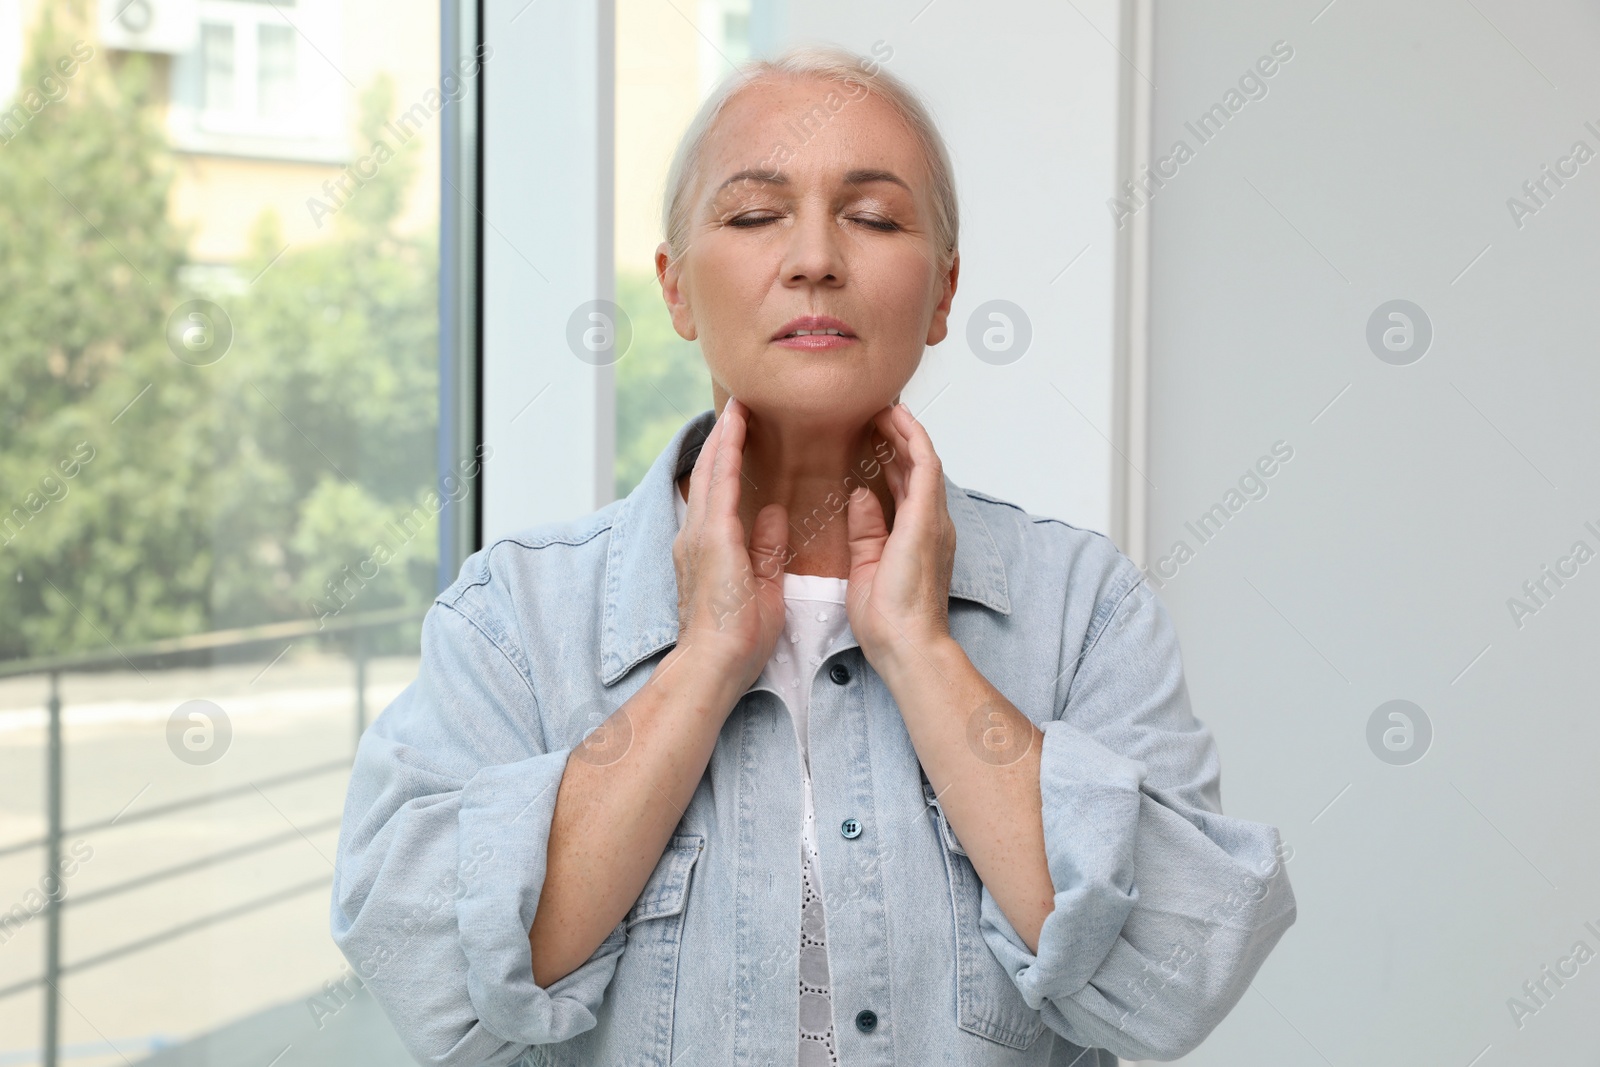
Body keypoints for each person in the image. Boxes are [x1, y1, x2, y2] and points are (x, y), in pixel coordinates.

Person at [330, 43, 1296, 1067]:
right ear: (675, 289)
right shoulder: (512, 615)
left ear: (942, 293)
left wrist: (921, 650)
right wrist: (704, 658)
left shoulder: (1085, 606)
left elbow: (1171, 978)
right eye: (753, 215)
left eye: (873, 217)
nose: (815, 258)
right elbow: (440, 980)